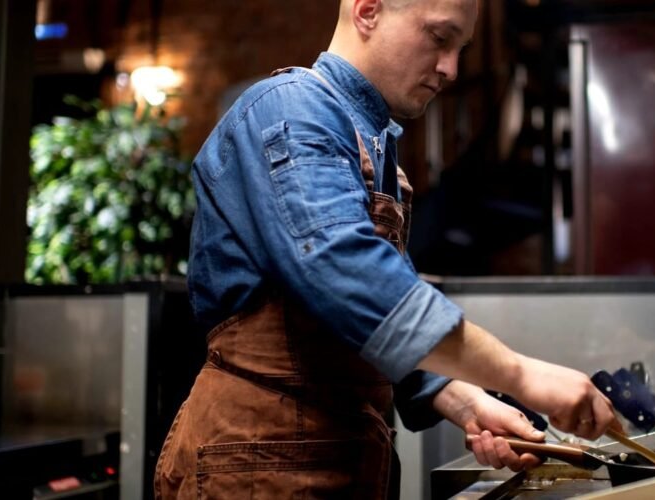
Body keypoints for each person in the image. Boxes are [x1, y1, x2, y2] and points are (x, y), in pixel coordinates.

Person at [154, 0, 619, 497]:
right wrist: (522, 375)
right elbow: (348, 275)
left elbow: (363, 327)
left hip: (329, 456)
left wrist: (465, 401)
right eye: (439, 38)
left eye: (461, 49)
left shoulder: (370, 143)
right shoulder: (291, 111)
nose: (451, 69)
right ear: (367, 11)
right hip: (257, 457)